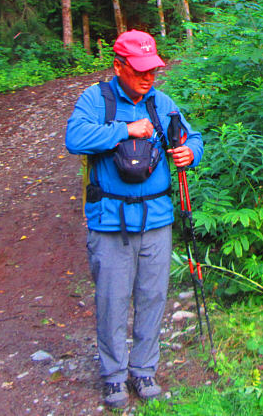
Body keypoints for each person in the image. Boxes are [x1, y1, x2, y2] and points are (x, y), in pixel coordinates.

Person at [65, 30, 203, 408]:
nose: (148, 77)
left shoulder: (162, 102)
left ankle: (143, 370)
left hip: (157, 219)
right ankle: (113, 376)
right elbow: (74, 138)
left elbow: (194, 137)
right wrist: (125, 130)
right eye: (140, 70)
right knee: (111, 299)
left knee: (153, 296)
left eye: (153, 70)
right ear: (118, 66)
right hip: (109, 221)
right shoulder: (97, 100)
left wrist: (189, 152)